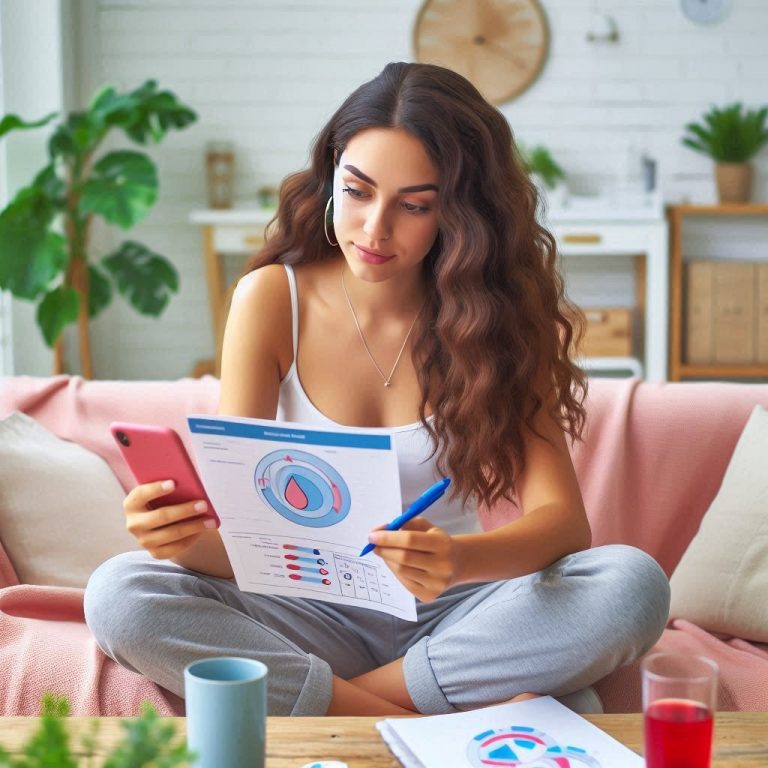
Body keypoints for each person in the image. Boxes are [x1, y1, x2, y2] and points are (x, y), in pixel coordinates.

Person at [85, 62, 670, 717]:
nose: (374, 228)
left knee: (631, 585)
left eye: (413, 205)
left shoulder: (502, 319)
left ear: (460, 211)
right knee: (120, 593)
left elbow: (562, 525)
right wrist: (177, 537)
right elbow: (242, 541)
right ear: (332, 174)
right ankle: (416, 715)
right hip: (301, 606)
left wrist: (456, 559)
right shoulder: (273, 298)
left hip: (452, 613)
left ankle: (353, 701)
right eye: (358, 191)